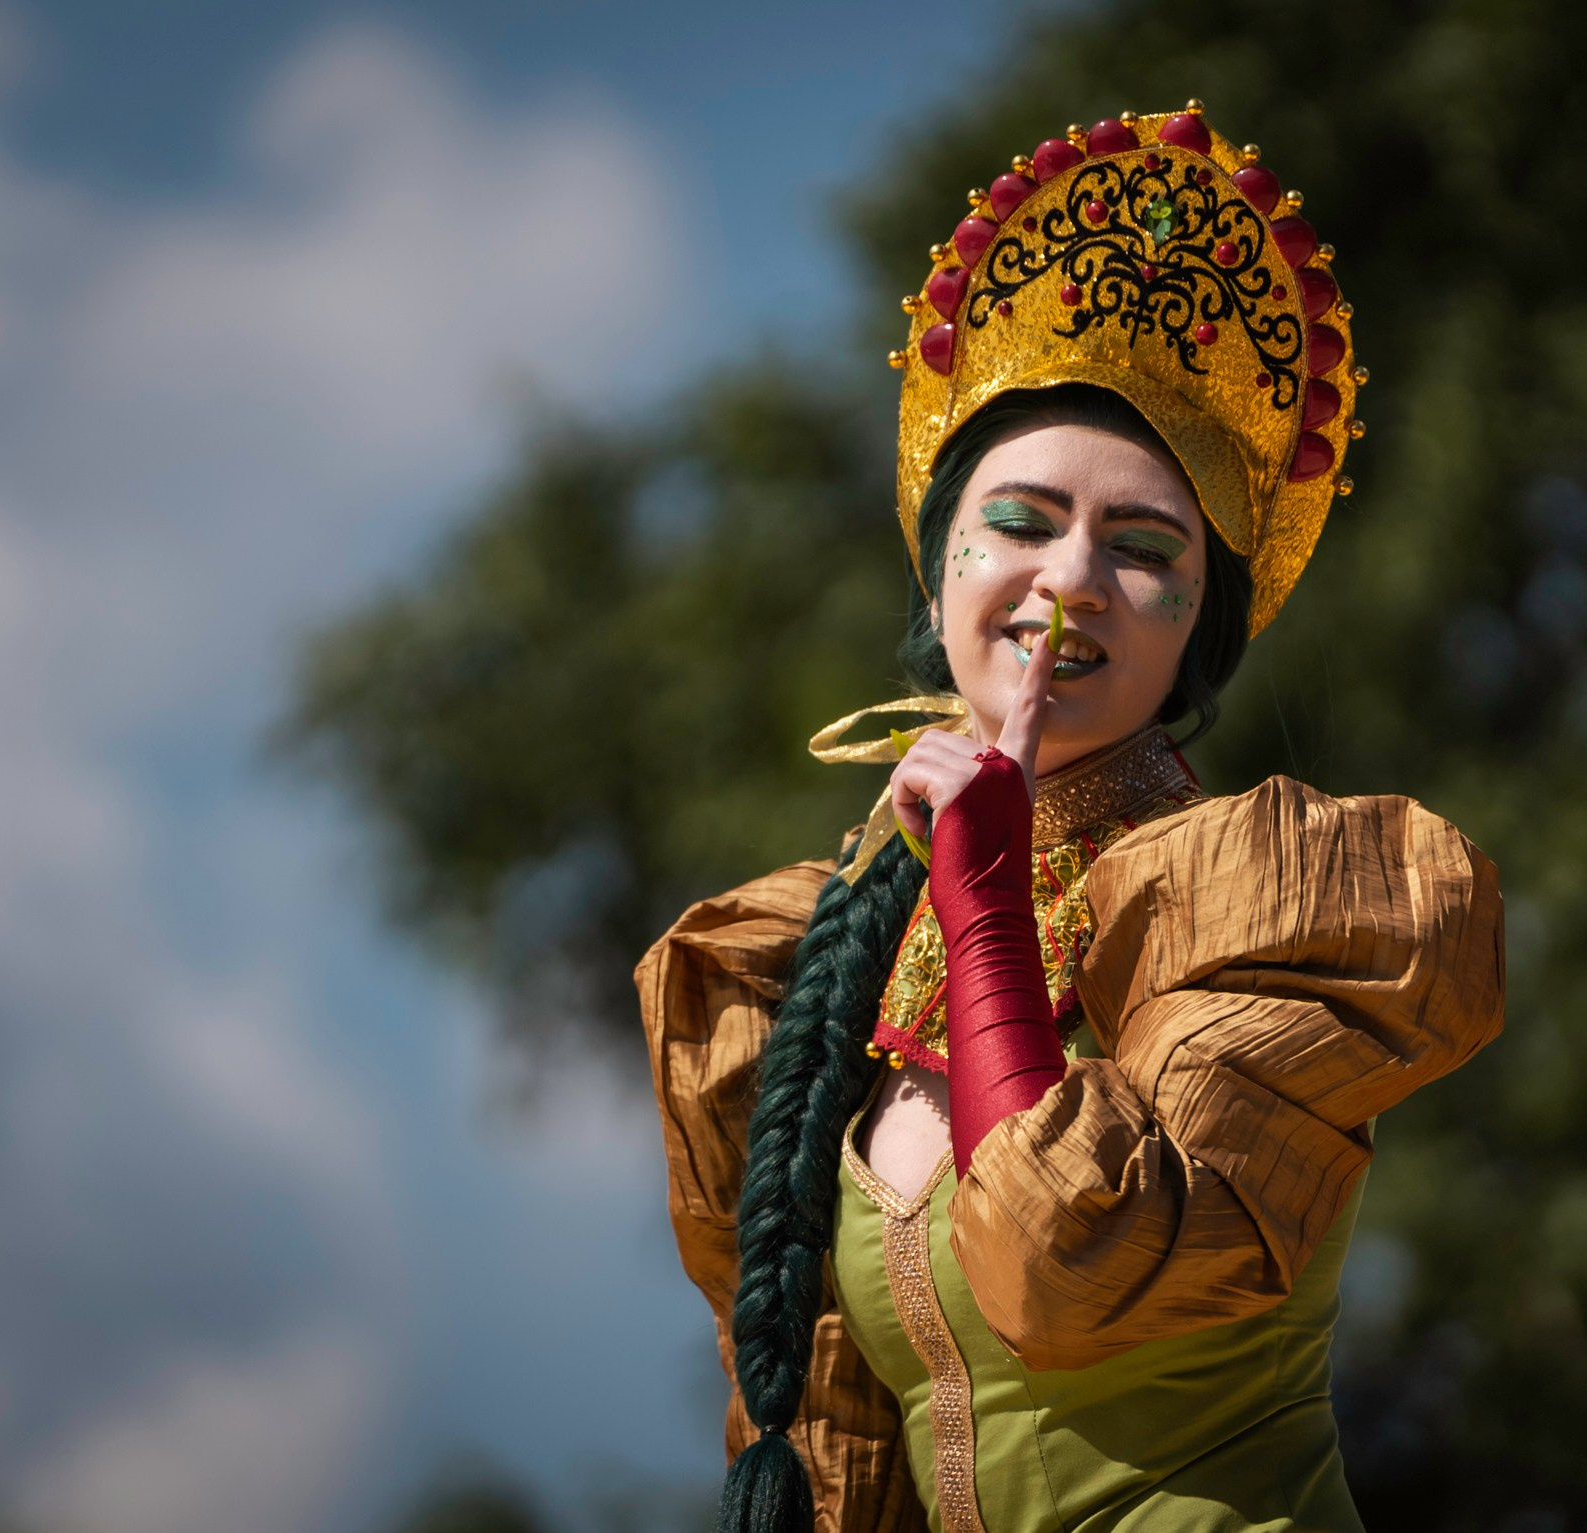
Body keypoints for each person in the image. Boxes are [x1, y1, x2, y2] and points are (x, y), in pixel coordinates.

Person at [637, 102, 1505, 1533]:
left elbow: (1067, 1259)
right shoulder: (828, 957)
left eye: (1145, 546)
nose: (1074, 578)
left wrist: (983, 903)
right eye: (1026, 521)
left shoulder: (1266, 910)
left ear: (1195, 636)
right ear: (940, 573)